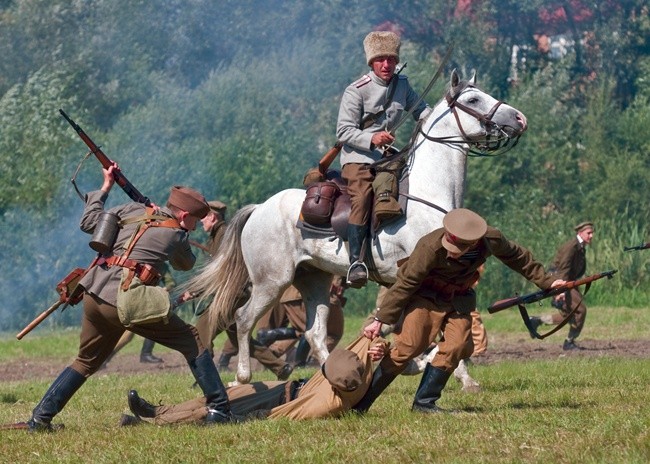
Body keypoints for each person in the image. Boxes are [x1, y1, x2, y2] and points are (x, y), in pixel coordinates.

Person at [22, 164, 234, 431]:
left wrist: (105, 188)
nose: (196, 222)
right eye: (194, 217)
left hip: (94, 292)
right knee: (192, 339)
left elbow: (89, 222)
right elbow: (186, 264)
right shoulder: (177, 233)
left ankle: (40, 419)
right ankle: (220, 409)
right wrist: (180, 232)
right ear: (183, 214)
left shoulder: (132, 210)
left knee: (85, 361)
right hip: (126, 300)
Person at [354, 208, 566, 414]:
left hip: (458, 299)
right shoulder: (429, 247)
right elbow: (405, 283)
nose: (450, 251)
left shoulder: (490, 239)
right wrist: (380, 319)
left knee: (456, 345)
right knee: (408, 347)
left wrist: (548, 282)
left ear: (473, 242)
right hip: (425, 297)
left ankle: (424, 404)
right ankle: (361, 403)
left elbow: (518, 257)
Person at [337, 30, 431, 288]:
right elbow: (343, 131)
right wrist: (372, 139)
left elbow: (423, 112)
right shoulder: (356, 91)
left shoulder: (403, 85)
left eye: (391, 59)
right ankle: (356, 261)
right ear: (371, 62)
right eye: (381, 60)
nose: (386, 64)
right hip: (359, 158)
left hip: (390, 158)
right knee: (363, 196)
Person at [121, 336, 388, 426]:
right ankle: (157, 410)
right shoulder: (356, 372)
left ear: (334, 383)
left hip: (281, 403)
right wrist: (380, 347)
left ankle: (152, 424)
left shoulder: (325, 404)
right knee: (218, 396)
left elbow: (281, 416)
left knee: (212, 412)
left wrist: (243, 418)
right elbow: (369, 339)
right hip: (284, 388)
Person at [193, 201, 293, 380]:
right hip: (235, 294)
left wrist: (195, 291)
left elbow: (222, 271)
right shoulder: (219, 235)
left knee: (202, 331)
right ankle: (280, 367)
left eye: (204, 218)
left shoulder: (223, 235)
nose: (201, 222)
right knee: (240, 340)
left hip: (232, 295)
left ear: (213, 217)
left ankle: (207, 379)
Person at [529, 221, 595, 350]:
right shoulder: (571, 246)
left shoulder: (580, 247)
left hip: (569, 282)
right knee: (580, 310)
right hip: (562, 281)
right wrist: (560, 291)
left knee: (567, 315)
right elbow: (562, 269)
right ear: (580, 233)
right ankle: (569, 342)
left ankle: (537, 321)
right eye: (589, 233)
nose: (591, 236)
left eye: (592, 233)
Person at [256, 276, 347, 367]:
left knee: (302, 329)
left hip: (285, 291)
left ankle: (272, 347)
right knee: (328, 332)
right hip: (312, 292)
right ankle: (307, 363)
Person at [101, 263, 176, 366]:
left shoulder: (158, 263)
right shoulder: (153, 262)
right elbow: (171, 283)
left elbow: (170, 284)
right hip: (134, 300)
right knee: (129, 333)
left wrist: (161, 291)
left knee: (138, 330)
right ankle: (105, 359)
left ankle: (145, 354)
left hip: (138, 299)